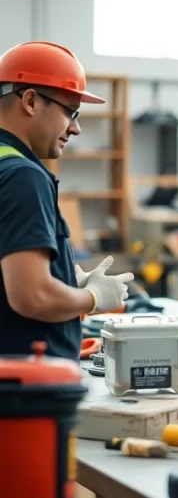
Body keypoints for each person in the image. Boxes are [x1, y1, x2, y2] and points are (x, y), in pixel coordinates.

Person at [0, 41, 134, 360]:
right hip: (27, 387)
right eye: (70, 112)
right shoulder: (23, 176)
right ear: (31, 100)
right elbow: (31, 296)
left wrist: (64, 282)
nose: (75, 128)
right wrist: (91, 297)